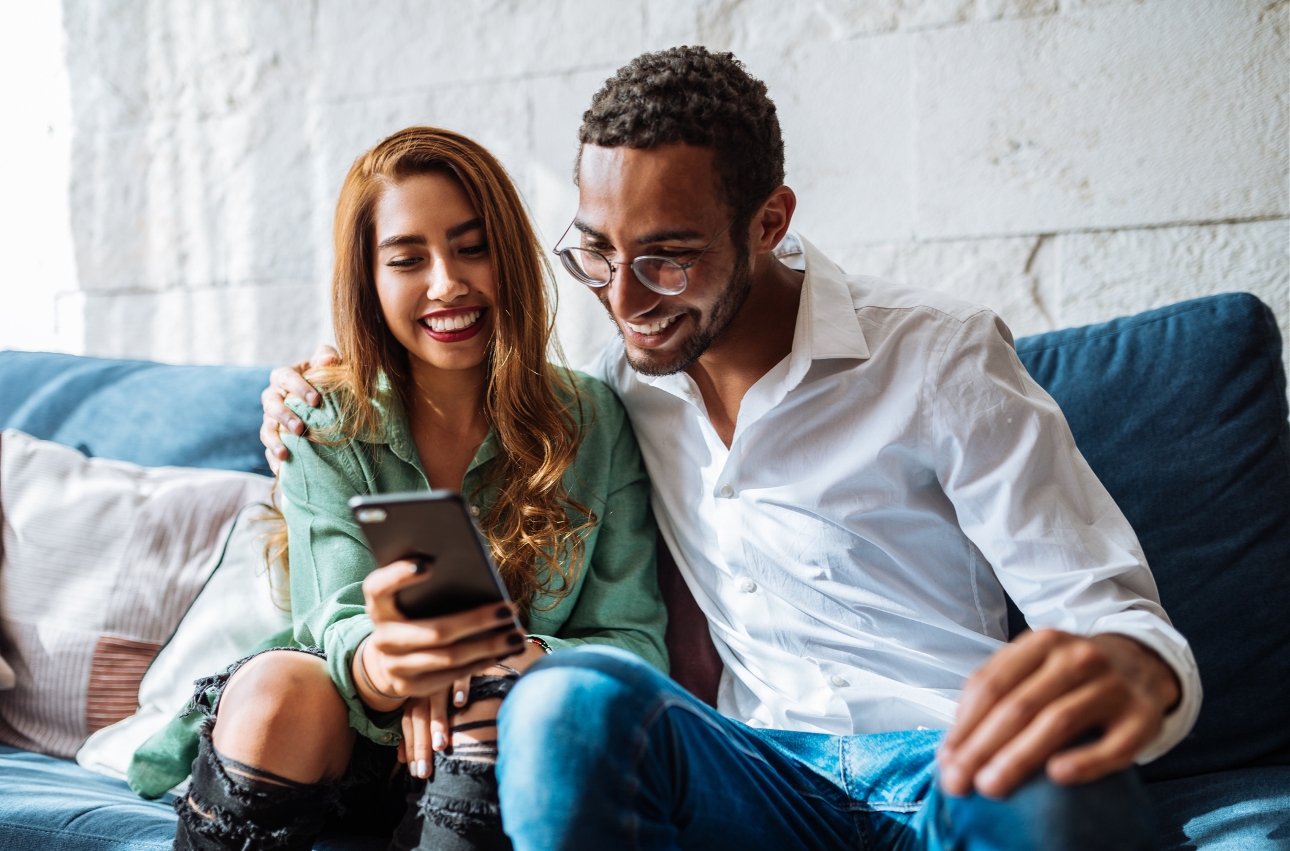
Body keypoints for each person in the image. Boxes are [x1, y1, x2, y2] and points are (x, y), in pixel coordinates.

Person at [262, 49, 1201, 850]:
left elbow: (1112, 614)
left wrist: (1130, 669)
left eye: (667, 257)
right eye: (596, 252)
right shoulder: (620, 392)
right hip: (753, 776)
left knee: (1055, 790)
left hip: (952, 765)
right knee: (564, 701)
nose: (624, 300)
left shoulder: (938, 356)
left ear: (768, 223)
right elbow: (457, 398)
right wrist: (320, 387)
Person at [172, 126, 668, 851]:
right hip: (344, 733)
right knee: (280, 687)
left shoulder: (593, 419)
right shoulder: (323, 416)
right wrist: (392, 666)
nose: (446, 283)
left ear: (510, 256)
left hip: (495, 740)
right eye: (407, 259)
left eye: (473, 248)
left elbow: (633, 642)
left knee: (498, 695)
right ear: (368, 280)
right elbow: (333, 615)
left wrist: (510, 659)